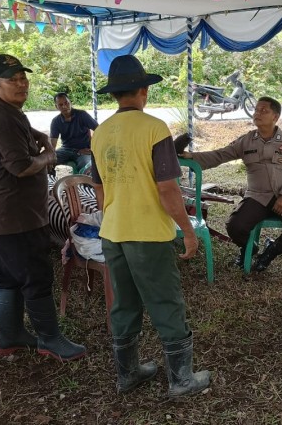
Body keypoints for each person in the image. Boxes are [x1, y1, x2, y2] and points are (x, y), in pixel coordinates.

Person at [89, 54, 210, 397]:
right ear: (143, 90)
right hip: (147, 235)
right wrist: (187, 230)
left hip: (113, 232)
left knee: (124, 303)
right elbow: (167, 189)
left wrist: (117, 211)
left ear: (115, 94)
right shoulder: (154, 128)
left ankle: (127, 374)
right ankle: (181, 380)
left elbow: (98, 189)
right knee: (166, 302)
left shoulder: (100, 134)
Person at [0, 54, 86, 362]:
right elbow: (20, 166)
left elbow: (20, 142)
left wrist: (38, 137)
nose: (21, 84)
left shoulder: (5, 111)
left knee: (9, 276)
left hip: (3, 215)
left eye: (23, 78)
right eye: (12, 80)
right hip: (16, 218)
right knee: (36, 276)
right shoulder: (3, 117)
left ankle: (10, 335)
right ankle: (50, 339)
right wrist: (48, 157)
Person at [180, 96, 282, 272]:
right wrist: (192, 156)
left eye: (264, 111)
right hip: (257, 196)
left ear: (276, 117)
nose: (257, 113)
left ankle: (273, 250)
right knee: (235, 226)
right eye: (256, 110)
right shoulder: (246, 140)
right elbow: (220, 155)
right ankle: (250, 248)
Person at [49, 92, 98, 173]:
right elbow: (53, 144)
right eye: (60, 105)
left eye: (66, 103)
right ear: (56, 107)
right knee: (50, 162)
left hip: (84, 150)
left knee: (87, 166)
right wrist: (50, 158)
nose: (64, 106)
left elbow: (98, 130)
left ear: (70, 102)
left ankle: (82, 183)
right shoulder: (56, 121)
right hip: (66, 149)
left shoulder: (82, 115)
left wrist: (93, 147)